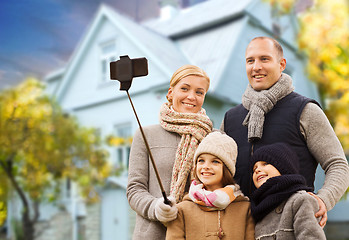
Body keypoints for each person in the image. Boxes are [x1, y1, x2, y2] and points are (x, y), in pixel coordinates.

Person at [221, 36, 349, 227]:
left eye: (264, 59)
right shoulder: (231, 118)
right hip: (239, 228)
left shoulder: (305, 110)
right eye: (250, 60)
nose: (256, 67)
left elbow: (338, 164)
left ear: (282, 64)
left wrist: (322, 199)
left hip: (290, 227)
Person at [127, 65, 213, 240]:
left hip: (199, 232)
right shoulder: (146, 135)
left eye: (199, 92)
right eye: (184, 88)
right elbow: (135, 189)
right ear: (170, 92)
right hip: (154, 234)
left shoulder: (214, 138)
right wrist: (156, 207)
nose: (191, 96)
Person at [166, 131, 255, 240]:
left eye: (215, 162)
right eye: (201, 160)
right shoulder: (182, 210)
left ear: (227, 168)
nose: (206, 166)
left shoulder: (245, 209)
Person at [250, 143, 326, 239]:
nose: (258, 170)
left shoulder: (301, 200)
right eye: (254, 168)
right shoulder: (258, 210)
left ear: (283, 166)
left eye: (265, 164)